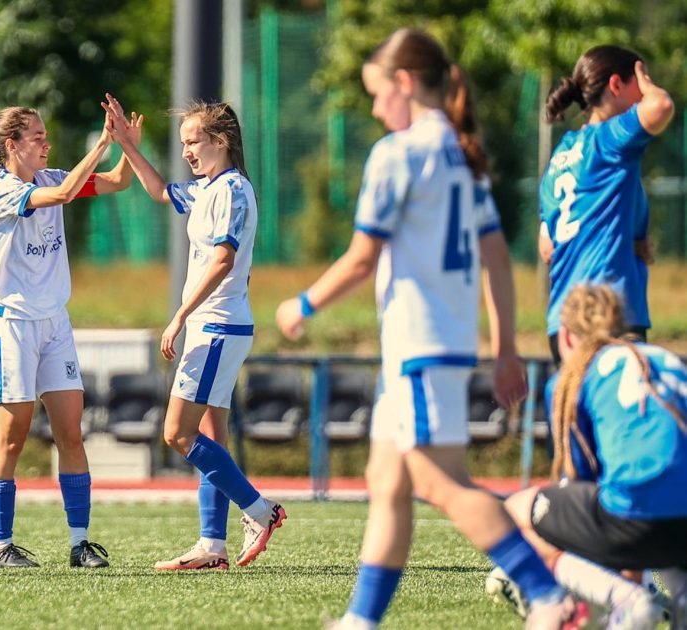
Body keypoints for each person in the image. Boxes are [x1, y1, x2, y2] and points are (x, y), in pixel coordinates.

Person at [273, 29, 587, 629]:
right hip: (438, 344)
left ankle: (548, 592)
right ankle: (361, 621)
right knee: (387, 481)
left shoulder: (398, 154)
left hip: (419, 344)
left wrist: (303, 305)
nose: (374, 109)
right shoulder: (465, 157)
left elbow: (362, 258)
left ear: (404, 82)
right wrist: (503, 347)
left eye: (376, 93)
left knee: (443, 484)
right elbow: (497, 259)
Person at [102, 95, 287, 570]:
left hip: (217, 327)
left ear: (221, 140)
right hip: (216, 327)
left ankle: (260, 511)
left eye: (193, 141)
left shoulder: (233, 189)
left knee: (177, 434)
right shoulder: (208, 187)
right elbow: (161, 191)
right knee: (210, 437)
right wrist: (127, 145)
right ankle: (212, 546)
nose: (186, 151)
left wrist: (180, 314)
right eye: (183, 143)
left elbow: (223, 259)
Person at [0, 102, 142, 569]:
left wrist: (128, 148)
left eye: (46, 136)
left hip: (54, 324)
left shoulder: (49, 178)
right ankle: (0, 547)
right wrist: (104, 142)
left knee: (71, 431)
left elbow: (118, 182)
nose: (47, 144)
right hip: (12, 326)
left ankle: (80, 543)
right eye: (38, 137)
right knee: (12, 437)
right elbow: (67, 194)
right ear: (12, 145)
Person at [493, 284, 687, 629]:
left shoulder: (574, 375)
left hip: (636, 518)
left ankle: (625, 600)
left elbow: (579, 480)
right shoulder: (666, 360)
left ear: (566, 335)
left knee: (513, 512)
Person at [539, 45, 674, 364]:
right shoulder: (609, 139)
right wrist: (649, 85)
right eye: (638, 83)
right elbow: (661, 106)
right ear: (616, 85)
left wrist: (626, 242)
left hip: (564, 321)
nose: (643, 93)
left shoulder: (560, 156)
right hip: (607, 314)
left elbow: (547, 246)